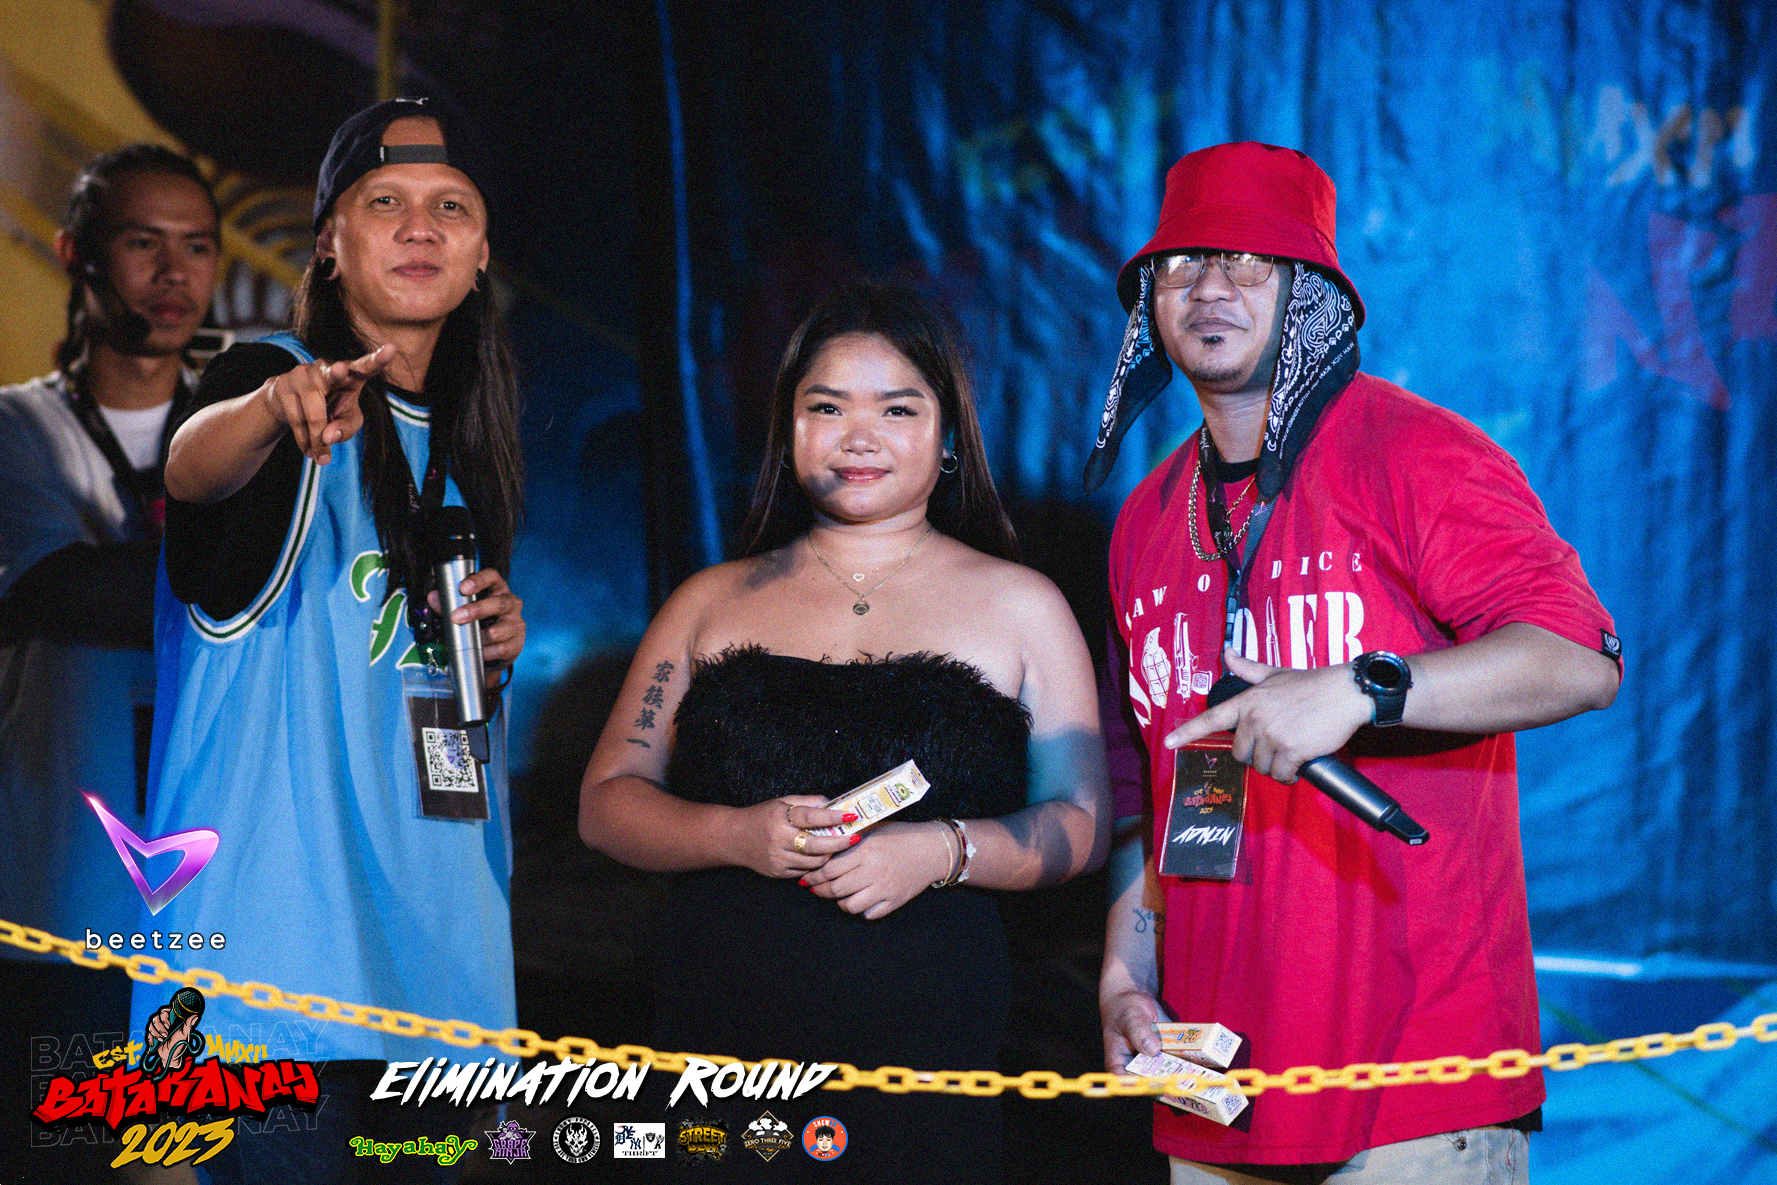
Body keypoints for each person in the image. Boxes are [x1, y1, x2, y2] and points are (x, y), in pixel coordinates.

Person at [1088, 142, 1622, 1184]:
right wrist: (1124, 970)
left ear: (1312, 295)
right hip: (1212, 1077)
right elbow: (1157, 788)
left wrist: (1362, 688)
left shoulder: (1413, 453)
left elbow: (1580, 656)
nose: (1209, 288)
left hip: (1414, 1076)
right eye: (1182, 263)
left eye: (1249, 262)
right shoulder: (1146, 519)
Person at [579, 284, 1110, 1183]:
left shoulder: (1022, 604)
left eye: (897, 410)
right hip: (720, 1040)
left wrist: (942, 850)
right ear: (788, 431)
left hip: (926, 1046)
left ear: (947, 437)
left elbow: (1083, 823)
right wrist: (734, 834)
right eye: (826, 408)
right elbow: (604, 803)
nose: (859, 436)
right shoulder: (709, 600)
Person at [127, 98, 526, 1181]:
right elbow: (190, 471)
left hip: (437, 973)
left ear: (482, 255)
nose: (420, 227)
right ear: (328, 243)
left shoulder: (470, 444)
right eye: (384, 203)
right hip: (273, 977)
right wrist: (273, 407)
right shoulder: (269, 386)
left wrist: (497, 640)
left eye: (450, 207)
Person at [0, 142, 220, 1174]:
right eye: (143, 243)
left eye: (198, 247)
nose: (174, 274)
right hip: (61, 885)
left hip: (219, 887)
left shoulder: (247, 430)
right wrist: (243, 574)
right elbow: (59, 587)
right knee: (66, 1158)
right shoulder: (17, 427)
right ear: (74, 254)